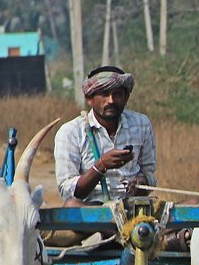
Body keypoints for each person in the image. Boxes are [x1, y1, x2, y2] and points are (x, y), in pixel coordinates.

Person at [54, 65, 156, 205]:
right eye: (104, 94)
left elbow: (149, 173)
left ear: (126, 98)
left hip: (135, 207)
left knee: (194, 202)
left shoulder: (141, 124)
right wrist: (101, 166)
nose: (111, 100)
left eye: (117, 94)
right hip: (94, 211)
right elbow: (68, 191)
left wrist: (141, 183)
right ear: (89, 98)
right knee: (71, 205)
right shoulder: (70, 132)